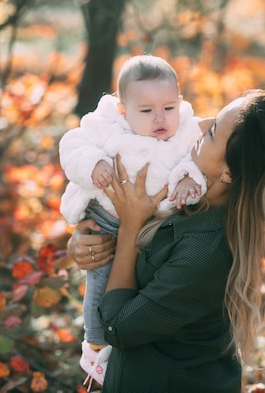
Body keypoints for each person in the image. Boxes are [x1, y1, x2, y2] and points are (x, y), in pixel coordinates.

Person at [66, 89, 265, 392]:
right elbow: (123, 234)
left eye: (213, 132)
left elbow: (117, 326)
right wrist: (85, 242)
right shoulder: (184, 188)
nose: (200, 127)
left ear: (228, 173)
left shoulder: (208, 252)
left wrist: (130, 228)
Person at [58, 55, 207, 386]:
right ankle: (95, 345)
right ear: (123, 109)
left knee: (136, 284)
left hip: (154, 224)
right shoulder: (106, 124)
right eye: (146, 111)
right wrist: (93, 162)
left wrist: (187, 178)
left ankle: (126, 344)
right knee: (99, 279)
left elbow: (194, 159)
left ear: (180, 103)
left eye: (169, 108)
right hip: (106, 218)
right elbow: (72, 144)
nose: (160, 118)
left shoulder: (185, 132)